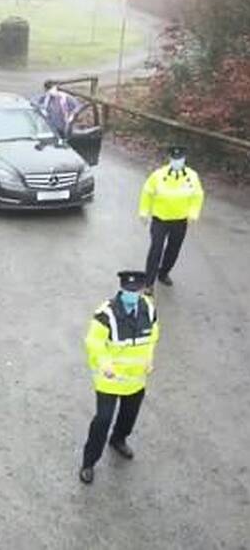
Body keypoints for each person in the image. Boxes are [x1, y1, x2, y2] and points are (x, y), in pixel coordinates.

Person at [79, 270, 159, 485]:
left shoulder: (148, 309)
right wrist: (105, 364)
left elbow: (152, 335)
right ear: (121, 290)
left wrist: (149, 358)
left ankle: (118, 439)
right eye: (128, 291)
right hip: (109, 380)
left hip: (136, 380)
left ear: (141, 290)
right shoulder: (106, 313)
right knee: (102, 420)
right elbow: (93, 342)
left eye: (136, 291)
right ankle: (89, 462)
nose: (132, 294)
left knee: (128, 416)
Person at [139, 145, 205, 291]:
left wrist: (193, 214)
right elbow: (147, 192)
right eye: (175, 159)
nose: (177, 161)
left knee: (173, 250)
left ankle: (163, 273)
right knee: (156, 249)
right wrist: (144, 211)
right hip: (160, 219)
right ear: (170, 159)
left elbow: (197, 195)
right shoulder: (158, 175)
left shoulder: (191, 176)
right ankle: (149, 283)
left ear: (184, 159)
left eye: (180, 159)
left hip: (180, 221)